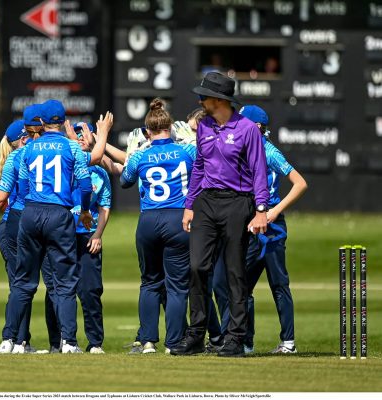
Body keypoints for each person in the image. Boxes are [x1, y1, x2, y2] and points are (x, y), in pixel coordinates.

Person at [0, 100, 112, 354]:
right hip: (58, 215)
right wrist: (84, 211)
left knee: (22, 281)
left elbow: (23, 185)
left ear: (40, 123)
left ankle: (9, 340)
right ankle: (68, 342)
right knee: (64, 282)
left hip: (30, 212)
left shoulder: (26, 149)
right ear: (62, 122)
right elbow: (85, 185)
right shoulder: (71, 148)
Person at [171, 71, 269, 357]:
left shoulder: (248, 129)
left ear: (218, 99)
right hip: (205, 203)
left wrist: (261, 209)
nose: (199, 99)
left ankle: (235, 338)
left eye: (204, 95)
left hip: (238, 203)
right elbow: (200, 166)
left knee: (235, 273)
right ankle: (196, 335)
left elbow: (259, 171)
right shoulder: (204, 126)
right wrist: (189, 205)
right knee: (197, 268)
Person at [210, 105, 307, 354]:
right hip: (248, 223)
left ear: (256, 127)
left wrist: (274, 212)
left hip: (271, 226)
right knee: (240, 286)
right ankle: (246, 342)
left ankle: (288, 342)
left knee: (278, 284)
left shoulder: (268, 150)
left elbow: (300, 183)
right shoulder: (241, 148)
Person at [120, 98, 195, 354]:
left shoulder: (141, 155)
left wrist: (134, 154)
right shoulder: (186, 151)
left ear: (148, 130)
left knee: (150, 282)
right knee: (176, 286)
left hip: (149, 220)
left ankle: (148, 341)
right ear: (171, 127)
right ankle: (173, 343)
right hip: (178, 219)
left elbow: (125, 181)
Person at [0, 116, 36, 353]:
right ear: (23, 138)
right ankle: (16, 340)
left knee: (20, 284)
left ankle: (21, 340)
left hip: (12, 225)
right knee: (22, 285)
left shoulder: (14, 158)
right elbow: (0, 197)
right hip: (17, 224)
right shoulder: (24, 156)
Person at [70, 122, 112, 354]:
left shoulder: (100, 172)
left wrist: (98, 234)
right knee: (60, 291)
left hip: (88, 236)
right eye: (76, 136)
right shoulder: (67, 164)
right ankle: (62, 341)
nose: (80, 139)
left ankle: (95, 342)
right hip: (64, 234)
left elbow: (104, 206)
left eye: (84, 136)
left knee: (90, 291)